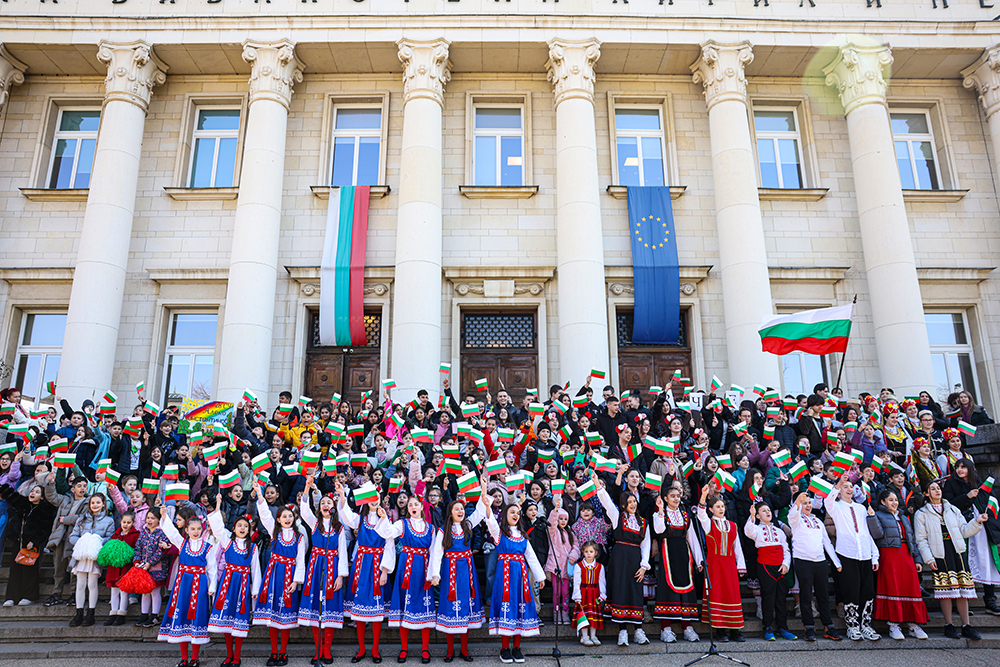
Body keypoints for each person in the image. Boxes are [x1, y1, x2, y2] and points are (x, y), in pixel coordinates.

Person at [914, 478, 988, 639]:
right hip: (940, 553)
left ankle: (966, 625)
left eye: (938, 488)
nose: (937, 491)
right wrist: (928, 558)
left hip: (957, 551)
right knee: (945, 591)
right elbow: (921, 539)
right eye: (932, 489)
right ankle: (948, 625)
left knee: (963, 590)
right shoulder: (922, 513)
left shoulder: (952, 509)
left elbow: (964, 530)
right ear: (926, 493)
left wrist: (976, 521)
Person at [483, 491, 545, 663]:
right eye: (512, 512)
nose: (515, 515)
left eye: (517, 513)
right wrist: (487, 504)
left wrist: (540, 577)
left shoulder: (523, 536)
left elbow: (531, 557)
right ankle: (504, 648)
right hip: (505, 578)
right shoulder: (499, 533)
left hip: (521, 578)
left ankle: (517, 648)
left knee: (520, 608)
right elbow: (490, 521)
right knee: (507, 608)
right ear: (505, 516)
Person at [592, 469, 651, 647]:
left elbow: (646, 545)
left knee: (635, 592)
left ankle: (639, 630)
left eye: (634, 501)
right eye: (629, 502)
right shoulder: (618, 517)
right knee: (620, 590)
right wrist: (596, 483)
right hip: (619, 557)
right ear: (623, 505)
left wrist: (644, 566)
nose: (633, 504)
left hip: (635, 559)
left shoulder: (643, 522)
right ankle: (622, 631)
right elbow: (606, 502)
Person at [338, 487, 394, 664]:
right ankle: (361, 649)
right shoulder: (359, 519)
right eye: (370, 498)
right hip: (362, 565)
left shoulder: (386, 520)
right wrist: (341, 496)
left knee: (377, 611)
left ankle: (375, 649)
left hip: (378, 564)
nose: (373, 500)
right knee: (359, 609)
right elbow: (345, 514)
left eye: (376, 497)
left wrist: (384, 570)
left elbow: (389, 544)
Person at [207, 490, 262, 667]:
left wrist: (255, 590)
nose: (242, 528)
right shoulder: (227, 541)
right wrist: (217, 505)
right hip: (228, 583)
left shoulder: (252, 547)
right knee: (226, 619)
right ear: (234, 528)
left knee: (238, 620)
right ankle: (228, 655)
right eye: (239, 525)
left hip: (243, 585)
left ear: (249, 529)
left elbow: (256, 570)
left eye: (245, 526)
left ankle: (237, 656)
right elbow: (216, 527)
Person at [157, 504, 216, 667]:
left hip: (200, 585)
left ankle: (195, 658)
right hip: (183, 585)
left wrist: (212, 587)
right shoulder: (182, 544)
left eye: (198, 529)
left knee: (197, 618)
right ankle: (184, 658)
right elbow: (171, 532)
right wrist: (164, 516)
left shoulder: (208, 547)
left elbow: (212, 569)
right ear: (187, 530)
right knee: (182, 616)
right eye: (193, 529)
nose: (196, 532)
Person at [298, 476, 348, 667]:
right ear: (319, 507)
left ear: (333, 506)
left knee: (329, 610)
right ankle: (318, 651)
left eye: (329, 502)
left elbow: (343, 552)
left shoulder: (339, 528)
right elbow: (304, 509)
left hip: (333, 567)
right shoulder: (314, 523)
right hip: (316, 566)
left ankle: (327, 650)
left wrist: (341, 576)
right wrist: (307, 488)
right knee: (316, 609)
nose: (326, 505)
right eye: (323, 503)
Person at [428, 497, 487, 661]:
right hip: (450, 570)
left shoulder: (467, 525)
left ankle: (464, 650)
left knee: (465, 608)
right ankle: (449, 650)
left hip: (467, 570)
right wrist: (435, 574)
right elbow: (437, 554)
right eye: (457, 509)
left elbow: (480, 512)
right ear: (450, 513)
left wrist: (483, 491)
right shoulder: (442, 531)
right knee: (450, 607)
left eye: (462, 508)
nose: (461, 511)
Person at [253, 487, 306, 667]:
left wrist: (296, 581)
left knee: (286, 616)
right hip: (274, 575)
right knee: (272, 616)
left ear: (294, 518)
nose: (287, 519)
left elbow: (300, 561)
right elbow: (264, 513)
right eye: (284, 516)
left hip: (289, 577)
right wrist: (260, 495)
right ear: (278, 519)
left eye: (290, 516)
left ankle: (283, 651)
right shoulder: (273, 531)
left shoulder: (299, 537)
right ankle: (273, 651)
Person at [824, 473, 880, 641]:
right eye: (845, 487)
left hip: (865, 553)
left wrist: (874, 555)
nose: (849, 489)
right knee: (851, 590)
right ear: (839, 491)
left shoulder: (861, 508)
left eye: (851, 487)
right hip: (847, 553)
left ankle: (866, 625)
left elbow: (866, 532)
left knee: (868, 591)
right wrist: (839, 482)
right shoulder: (836, 506)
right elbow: (828, 501)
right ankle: (852, 626)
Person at [868, 489, 929, 640]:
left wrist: (917, 559)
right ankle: (893, 625)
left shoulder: (904, 517)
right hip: (889, 554)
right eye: (890, 500)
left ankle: (913, 624)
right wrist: (872, 518)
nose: (894, 503)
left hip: (906, 555)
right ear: (883, 502)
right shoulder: (878, 515)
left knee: (910, 587)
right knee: (892, 587)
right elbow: (877, 534)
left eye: (895, 499)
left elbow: (912, 538)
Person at [386, 494, 437, 663]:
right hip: (406, 568)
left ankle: (425, 649)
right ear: (407, 509)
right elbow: (388, 533)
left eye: (416, 504)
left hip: (423, 569)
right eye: (410, 505)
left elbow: (434, 553)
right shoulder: (401, 524)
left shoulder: (430, 528)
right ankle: (404, 648)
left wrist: (434, 574)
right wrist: (382, 517)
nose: (413, 507)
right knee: (404, 605)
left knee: (425, 606)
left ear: (422, 507)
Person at [787, 492, 842, 642]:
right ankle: (809, 627)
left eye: (809, 503)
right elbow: (792, 515)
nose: (808, 505)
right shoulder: (796, 519)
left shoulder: (817, 520)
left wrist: (836, 562)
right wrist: (797, 503)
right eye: (804, 503)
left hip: (820, 561)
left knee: (823, 595)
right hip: (803, 561)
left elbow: (826, 542)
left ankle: (828, 626)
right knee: (805, 596)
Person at [651, 485, 702, 643]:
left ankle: (687, 627)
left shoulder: (686, 515)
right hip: (667, 553)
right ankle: (665, 628)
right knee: (667, 590)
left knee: (686, 590)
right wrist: (660, 510)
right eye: (672, 496)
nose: (676, 498)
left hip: (683, 554)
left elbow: (692, 538)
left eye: (678, 496)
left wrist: (699, 560)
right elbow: (659, 530)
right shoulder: (659, 514)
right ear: (665, 498)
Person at [695, 484, 745, 642]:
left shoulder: (733, 526)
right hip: (714, 564)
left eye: (722, 506)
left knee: (732, 595)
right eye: (717, 506)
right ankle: (720, 631)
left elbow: (737, 547)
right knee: (717, 595)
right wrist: (703, 496)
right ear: (711, 509)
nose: (721, 509)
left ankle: (735, 630)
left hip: (729, 564)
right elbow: (701, 514)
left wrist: (741, 565)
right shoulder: (709, 523)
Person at [0, 481, 57, 606]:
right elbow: (12, 497)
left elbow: (45, 528)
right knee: (14, 569)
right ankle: (11, 597)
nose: (33, 493)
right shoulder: (23, 504)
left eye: (37, 492)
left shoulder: (45, 509)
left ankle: (29, 596)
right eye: (32, 491)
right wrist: (3, 487)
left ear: (42, 497)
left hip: (32, 544)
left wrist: (35, 541)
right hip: (18, 540)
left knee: (29, 570)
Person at [744, 501, 795, 641]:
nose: (768, 512)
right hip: (765, 566)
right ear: (759, 516)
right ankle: (767, 627)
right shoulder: (757, 529)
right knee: (768, 597)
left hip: (780, 566)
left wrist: (786, 565)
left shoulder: (779, 531)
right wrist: (752, 516)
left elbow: (786, 550)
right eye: (764, 511)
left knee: (781, 598)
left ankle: (783, 628)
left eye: (769, 510)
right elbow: (748, 531)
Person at [67, 492, 115, 627]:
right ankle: (78, 612)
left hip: (95, 556)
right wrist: (84, 541)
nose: (95, 505)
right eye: (93, 503)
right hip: (82, 555)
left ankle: (91, 613)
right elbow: (73, 536)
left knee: (92, 584)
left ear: (103, 504)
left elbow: (110, 537)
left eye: (98, 502)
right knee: (80, 584)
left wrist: (95, 541)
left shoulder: (109, 521)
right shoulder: (82, 519)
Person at [129, 506, 171, 628]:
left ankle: (155, 615)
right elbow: (138, 548)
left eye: (153, 518)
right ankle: (144, 614)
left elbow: (161, 551)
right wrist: (137, 560)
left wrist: (150, 562)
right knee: (145, 591)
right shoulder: (144, 532)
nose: (149, 520)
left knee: (155, 591)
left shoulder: (162, 533)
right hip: (144, 567)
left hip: (157, 568)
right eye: (148, 518)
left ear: (158, 520)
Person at [103, 509, 140, 626]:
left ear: (133, 523)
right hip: (114, 568)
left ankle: (121, 614)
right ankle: (113, 613)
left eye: (129, 523)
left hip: (126, 568)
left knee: (124, 591)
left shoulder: (135, 535)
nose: (126, 525)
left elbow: (136, 551)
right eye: (124, 522)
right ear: (120, 521)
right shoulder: (116, 535)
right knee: (114, 591)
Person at [572, 540, 606, 646]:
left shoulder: (600, 567)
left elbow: (602, 581)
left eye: (591, 551)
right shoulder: (579, 566)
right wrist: (577, 596)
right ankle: (584, 636)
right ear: (583, 552)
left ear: (596, 553)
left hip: (594, 593)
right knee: (584, 614)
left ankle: (593, 635)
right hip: (584, 593)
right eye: (586, 551)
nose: (588, 554)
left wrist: (602, 594)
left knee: (593, 615)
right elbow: (576, 582)